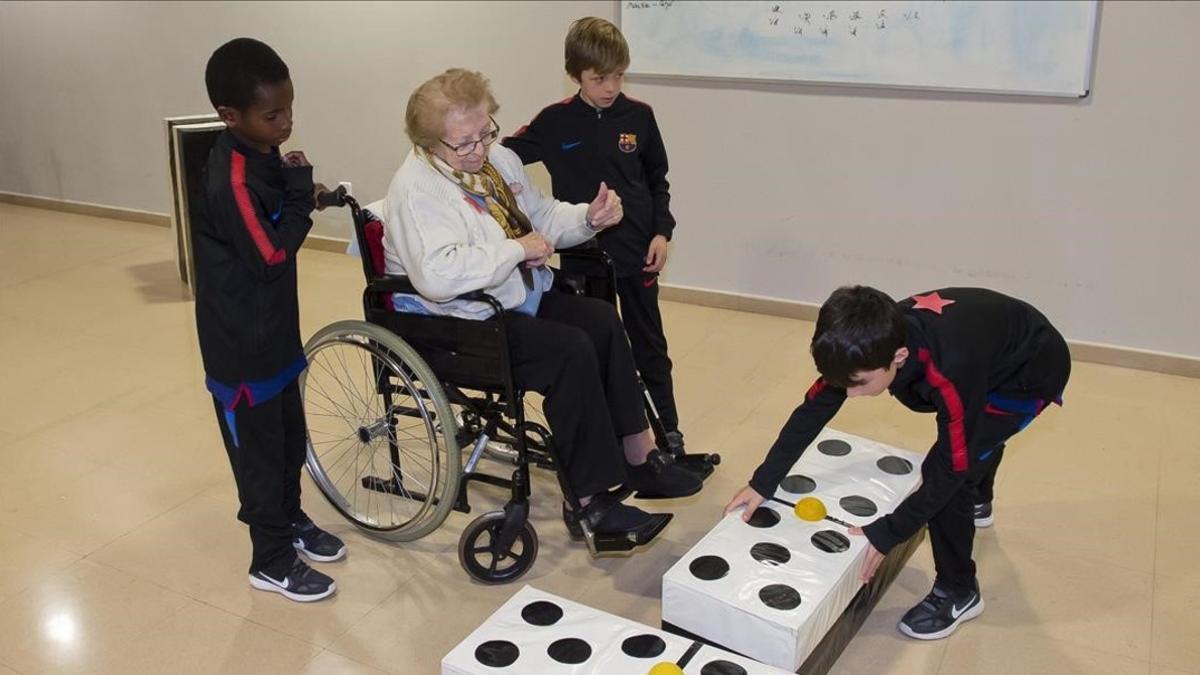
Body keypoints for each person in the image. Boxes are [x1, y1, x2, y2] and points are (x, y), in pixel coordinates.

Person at [381, 68, 702, 547]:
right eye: (463, 143)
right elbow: (438, 276)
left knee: (600, 320)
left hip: (509, 299)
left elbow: (543, 216)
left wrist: (588, 218)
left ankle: (638, 457)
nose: (479, 149)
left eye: (485, 132)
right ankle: (590, 502)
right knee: (569, 351)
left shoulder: (496, 162)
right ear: (429, 145)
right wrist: (516, 251)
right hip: (454, 322)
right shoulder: (417, 190)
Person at [724, 286, 1070, 639]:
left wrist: (890, 530)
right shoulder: (860, 346)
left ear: (900, 356)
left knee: (949, 472)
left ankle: (959, 591)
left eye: (860, 383)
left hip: (1027, 374)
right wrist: (763, 482)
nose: (851, 393)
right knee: (973, 442)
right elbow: (811, 411)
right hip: (992, 349)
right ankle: (980, 500)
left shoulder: (949, 372)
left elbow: (952, 468)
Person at [195, 37, 344, 602]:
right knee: (259, 457)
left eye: (289, 108)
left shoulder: (257, 155)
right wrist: (304, 200)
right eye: (272, 114)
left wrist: (304, 189)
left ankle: (291, 522)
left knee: (288, 441)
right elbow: (271, 257)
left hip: (274, 333)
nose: (286, 123)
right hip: (241, 350)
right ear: (229, 116)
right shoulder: (228, 180)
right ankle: (271, 559)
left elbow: (274, 197)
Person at [502, 17, 690, 459]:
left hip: (638, 249)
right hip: (584, 255)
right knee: (597, 346)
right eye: (599, 78)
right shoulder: (554, 121)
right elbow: (504, 153)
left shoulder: (639, 116)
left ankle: (669, 429)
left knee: (649, 343)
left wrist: (662, 231)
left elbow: (657, 179)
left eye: (618, 75)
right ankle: (614, 433)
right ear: (576, 75)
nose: (610, 87)